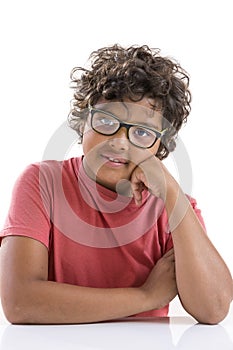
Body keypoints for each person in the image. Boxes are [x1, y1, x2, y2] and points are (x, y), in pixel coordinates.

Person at [0, 44, 232, 325]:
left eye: (143, 132)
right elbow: (20, 303)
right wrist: (146, 297)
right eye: (107, 120)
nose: (120, 142)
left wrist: (172, 193)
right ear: (84, 120)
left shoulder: (174, 207)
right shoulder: (41, 183)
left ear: (159, 145)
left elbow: (214, 309)